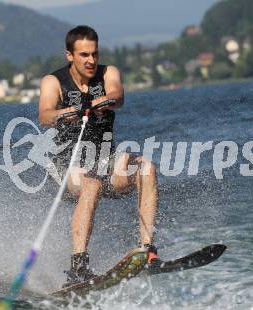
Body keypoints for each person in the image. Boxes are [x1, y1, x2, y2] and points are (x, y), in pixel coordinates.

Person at [38, 25, 161, 287]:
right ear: (70, 55)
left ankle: (148, 251)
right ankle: (78, 268)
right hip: (67, 165)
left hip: (105, 158)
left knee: (146, 168)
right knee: (91, 183)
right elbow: (45, 115)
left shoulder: (108, 73)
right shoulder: (54, 81)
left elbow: (117, 96)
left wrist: (98, 102)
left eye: (94, 53)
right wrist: (68, 112)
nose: (91, 60)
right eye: (84, 55)